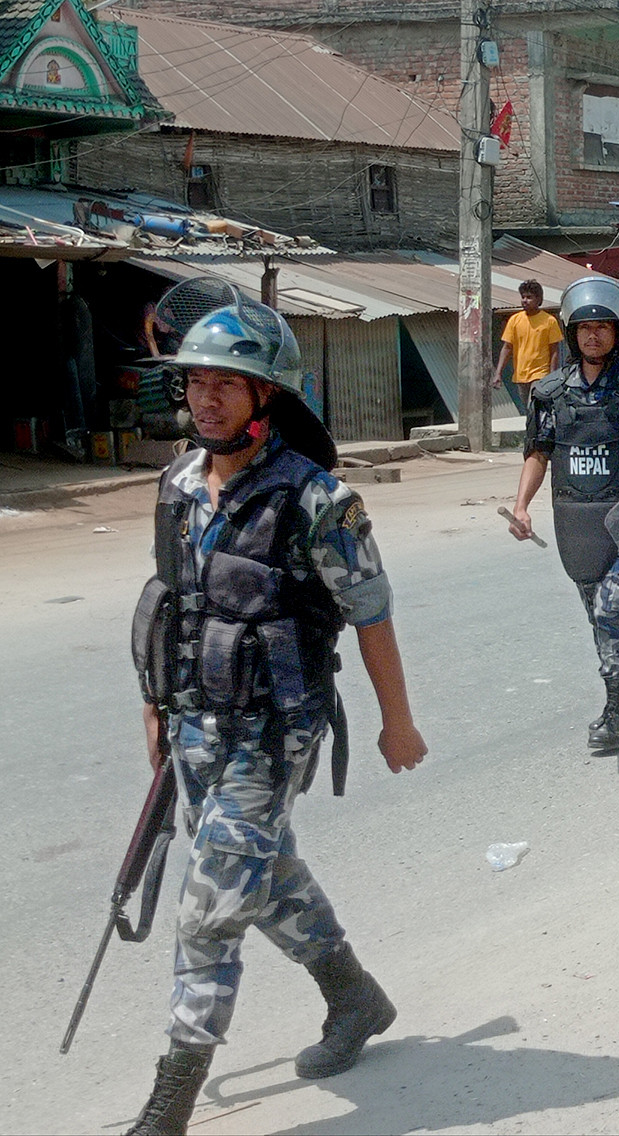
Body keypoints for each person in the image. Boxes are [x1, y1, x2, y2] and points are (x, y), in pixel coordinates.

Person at [125, 291, 427, 1134]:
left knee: (211, 904)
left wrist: (394, 721)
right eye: (197, 382)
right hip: (193, 722)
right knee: (262, 873)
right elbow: (173, 602)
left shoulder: (318, 502)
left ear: (269, 396)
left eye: (229, 382)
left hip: (273, 731)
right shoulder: (179, 484)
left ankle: (170, 1101)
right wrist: (153, 705)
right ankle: (355, 998)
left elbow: (371, 614)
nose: (207, 397)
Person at [506, 276, 619, 754]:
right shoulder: (551, 393)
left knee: (609, 607)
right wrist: (521, 505)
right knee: (598, 618)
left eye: (602, 327)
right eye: (583, 328)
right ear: (571, 333)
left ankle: (614, 712)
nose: (592, 336)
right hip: (580, 527)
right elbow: (539, 451)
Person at [492, 280, 563, 413]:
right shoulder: (515, 320)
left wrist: (552, 376)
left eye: (529, 297)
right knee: (529, 412)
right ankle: (535, 433)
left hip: (541, 374)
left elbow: (554, 351)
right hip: (521, 375)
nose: (525, 300)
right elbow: (507, 348)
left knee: (534, 405)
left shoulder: (549, 321)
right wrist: (498, 373)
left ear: (539, 300)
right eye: (523, 297)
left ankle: (538, 433)